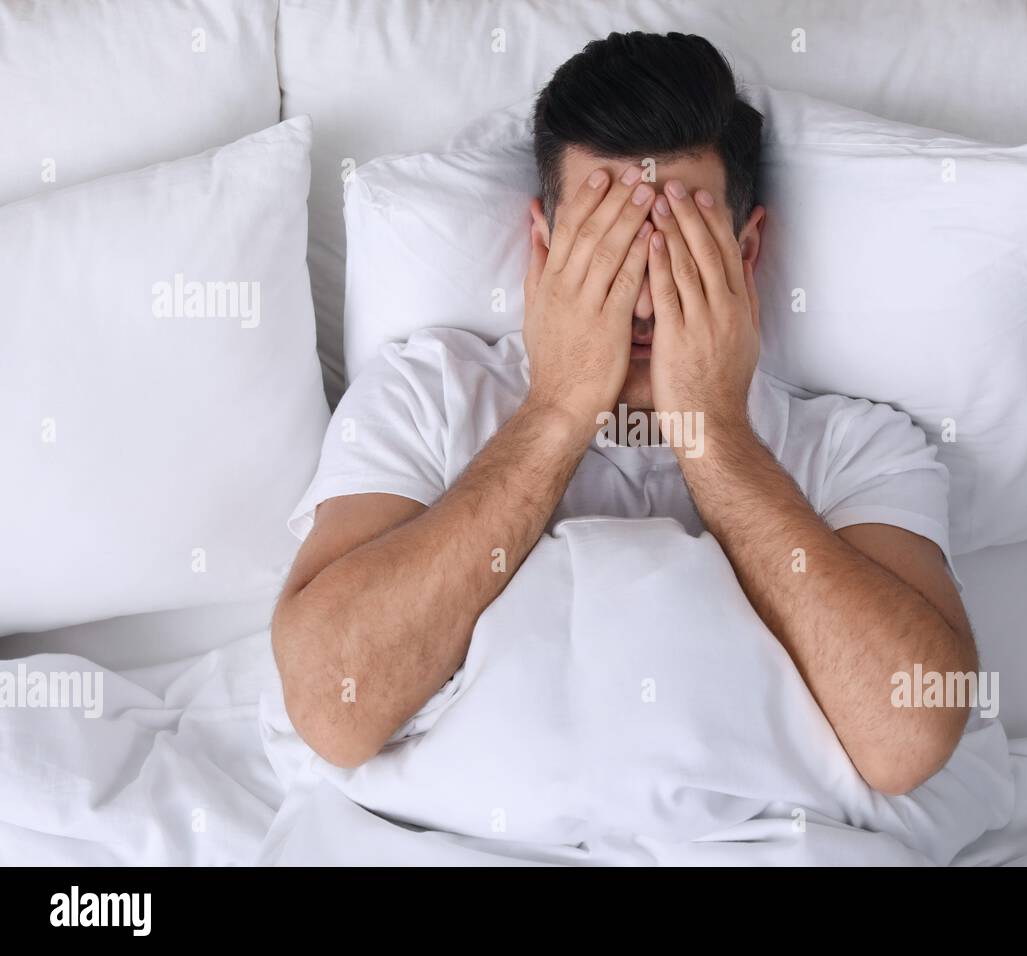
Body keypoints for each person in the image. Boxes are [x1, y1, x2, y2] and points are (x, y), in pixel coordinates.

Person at [271, 31, 976, 796]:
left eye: (678, 248)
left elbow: (910, 735)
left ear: (745, 254)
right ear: (542, 247)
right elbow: (331, 707)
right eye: (607, 250)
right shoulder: (424, 394)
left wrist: (716, 430)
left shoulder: (857, 449)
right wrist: (558, 408)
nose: (641, 298)